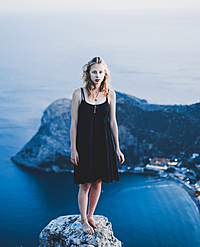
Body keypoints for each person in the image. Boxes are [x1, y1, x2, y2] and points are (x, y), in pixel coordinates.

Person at [70, 56, 125, 235]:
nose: (97, 75)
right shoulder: (78, 93)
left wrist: (117, 147)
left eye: (101, 72)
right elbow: (74, 123)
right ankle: (83, 220)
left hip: (103, 143)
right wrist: (73, 148)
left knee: (98, 182)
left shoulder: (111, 94)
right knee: (85, 184)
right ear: (88, 73)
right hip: (84, 144)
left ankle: (91, 215)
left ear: (105, 74)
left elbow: (113, 123)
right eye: (94, 71)